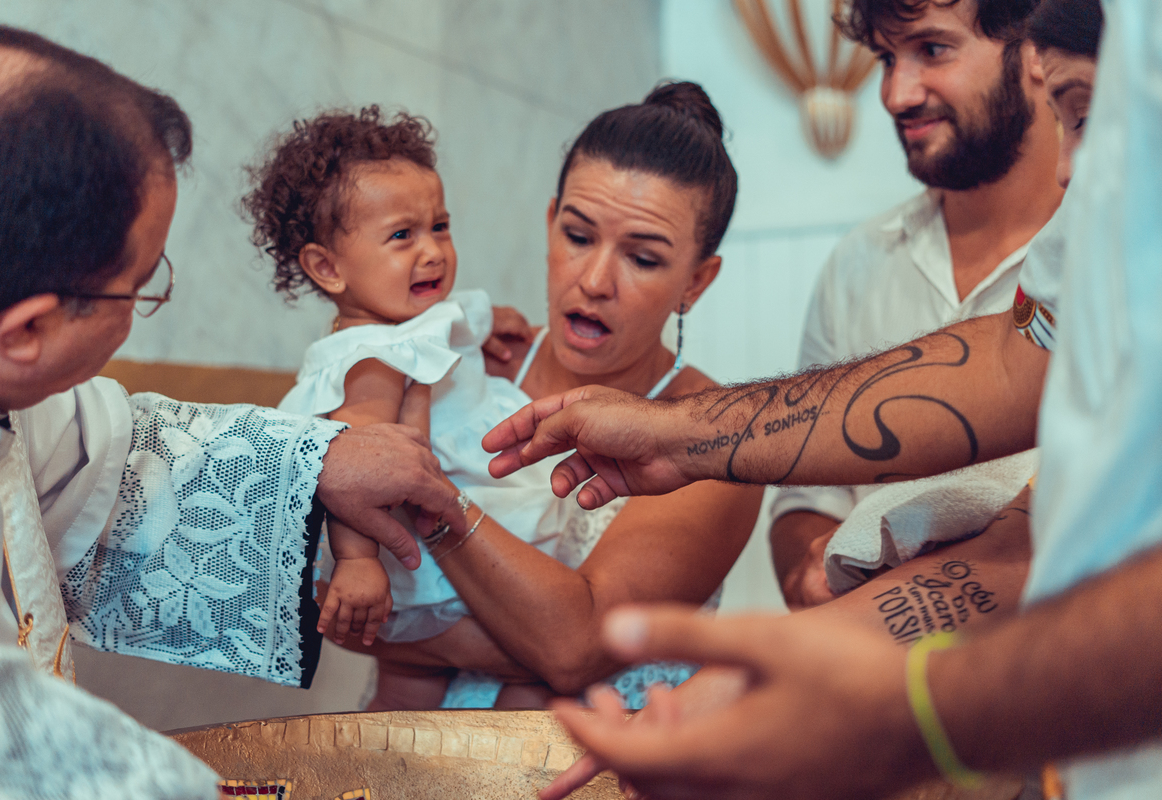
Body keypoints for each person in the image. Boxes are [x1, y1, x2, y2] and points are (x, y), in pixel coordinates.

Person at [492, 1, 1162, 798]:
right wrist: (682, 435)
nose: (1066, 166)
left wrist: (903, 711)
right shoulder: (1081, 234)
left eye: (1086, 115)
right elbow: (1014, 369)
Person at [0, 24, 465, 796]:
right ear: (27, 330)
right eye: (139, 286)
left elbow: (116, 452)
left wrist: (315, 457)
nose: (142, 304)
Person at [338, 82, 766, 711]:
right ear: (549, 222)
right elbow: (330, 597)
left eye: (642, 259)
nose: (593, 281)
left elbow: (576, 649)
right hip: (403, 744)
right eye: (578, 235)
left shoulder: (715, 437)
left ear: (695, 282)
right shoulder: (468, 361)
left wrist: (423, 491)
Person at [244, 107, 558, 710]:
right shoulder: (375, 358)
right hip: (421, 560)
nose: (434, 251)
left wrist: (497, 327)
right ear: (327, 267)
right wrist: (359, 563)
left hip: (447, 548)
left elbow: (470, 317)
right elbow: (350, 465)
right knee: (525, 675)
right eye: (402, 236)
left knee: (416, 689)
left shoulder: (415, 320)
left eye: (439, 226)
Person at [770, 0, 1062, 608]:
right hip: (861, 667)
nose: (896, 95)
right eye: (884, 57)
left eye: (932, 49)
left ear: (1035, 50)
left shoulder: (1107, 254)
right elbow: (805, 500)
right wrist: (812, 567)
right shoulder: (858, 263)